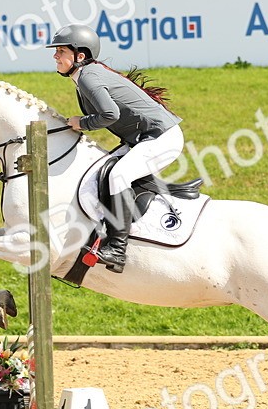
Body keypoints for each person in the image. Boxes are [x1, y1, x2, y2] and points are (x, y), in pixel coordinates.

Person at [46, 23, 184, 274]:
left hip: (161, 138)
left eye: (61, 51)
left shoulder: (88, 76)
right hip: (143, 138)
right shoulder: (85, 75)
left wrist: (82, 123)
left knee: (119, 175)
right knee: (103, 172)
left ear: (80, 55)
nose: (55, 55)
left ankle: (117, 249)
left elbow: (110, 114)